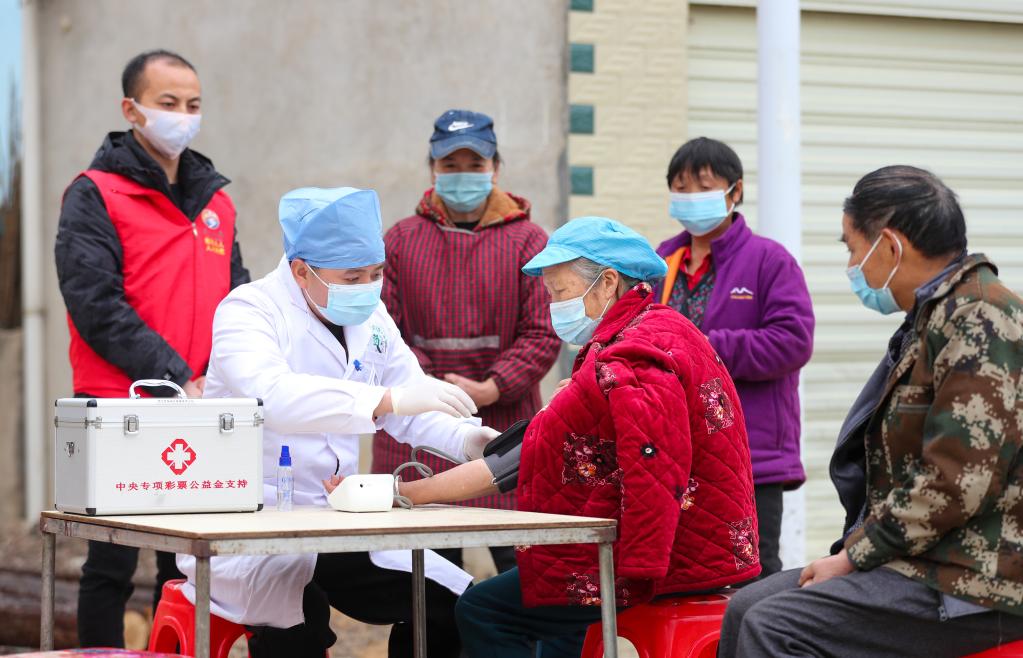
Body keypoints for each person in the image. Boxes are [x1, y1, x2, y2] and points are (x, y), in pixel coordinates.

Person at [333, 217, 760, 657]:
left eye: (560, 291)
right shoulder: (662, 329)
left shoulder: (627, 358)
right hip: (695, 545)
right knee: (557, 624)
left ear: (608, 282)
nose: (555, 304)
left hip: (666, 557)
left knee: (483, 610)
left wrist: (401, 492)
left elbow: (638, 462)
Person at [177, 186, 501, 658]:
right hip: (255, 523)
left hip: (338, 519)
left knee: (452, 603)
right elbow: (277, 397)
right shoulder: (248, 311)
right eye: (352, 276)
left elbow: (412, 407)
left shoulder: (370, 314)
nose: (367, 286)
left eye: (375, 273)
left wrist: (470, 440)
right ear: (300, 271)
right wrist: (387, 398)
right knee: (299, 624)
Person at [718, 166, 1023, 657]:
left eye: (851, 247)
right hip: (921, 557)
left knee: (775, 626)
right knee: (745, 606)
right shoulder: (931, 320)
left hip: (975, 578)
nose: (852, 264)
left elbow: (955, 482)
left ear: (890, 246)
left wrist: (856, 555)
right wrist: (854, 553)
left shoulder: (979, 320)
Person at [54, 49, 249, 648]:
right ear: (131, 110)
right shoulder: (95, 194)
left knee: (184, 562)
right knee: (111, 562)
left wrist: (223, 376)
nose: (182, 117)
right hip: (120, 401)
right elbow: (95, 304)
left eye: (193, 105)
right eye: (168, 104)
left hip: (199, 403)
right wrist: (172, 373)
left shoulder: (216, 203)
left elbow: (237, 301)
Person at [372, 109, 561, 573]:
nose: (462, 176)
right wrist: (426, 390)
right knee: (419, 579)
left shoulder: (530, 242)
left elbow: (542, 330)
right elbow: (382, 330)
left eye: (474, 165)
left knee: (523, 572)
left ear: (495, 168)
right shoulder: (399, 240)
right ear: (432, 169)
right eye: (449, 166)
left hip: (506, 422)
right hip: (415, 428)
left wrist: (491, 388)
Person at [656, 137, 814, 576]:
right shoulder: (660, 261)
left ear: (735, 191)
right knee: (687, 574)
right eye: (680, 188)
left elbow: (793, 341)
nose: (690, 198)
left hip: (752, 455)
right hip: (677, 453)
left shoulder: (769, 261)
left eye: (703, 187)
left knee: (754, 575)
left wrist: (705, 346)